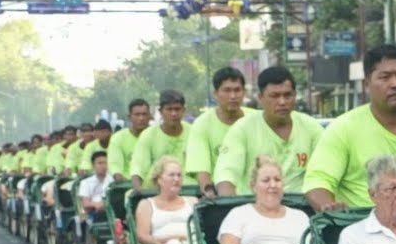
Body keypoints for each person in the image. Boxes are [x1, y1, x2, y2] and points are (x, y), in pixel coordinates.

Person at [304, 45, 396, 211]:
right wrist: (329, 208)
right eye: (385, 77)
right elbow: (317, 181)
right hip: (362, 229)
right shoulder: (343, 128)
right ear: (367, 84)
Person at [213, 67, 324, 196]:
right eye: (274, 96)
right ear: (261, 98)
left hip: (302, 208)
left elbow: (326, 171)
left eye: (287, 95)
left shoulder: (312, 128)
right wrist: (228, 205)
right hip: (255, 209)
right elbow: (226, 173)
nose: (282, 102)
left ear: (294, 96)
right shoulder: (242, 129)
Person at [186, 68, 255, 198]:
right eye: (227, 90)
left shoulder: (257, 119)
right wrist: (210, 193)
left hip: (257, 197)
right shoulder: (202, 124)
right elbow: (202, 170)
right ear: (216, 93)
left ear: (244, 92)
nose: (233, 96)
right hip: (221, 197)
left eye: (237, 90)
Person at [133, 156, 197, 244]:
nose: (176, 179)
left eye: (179, 175)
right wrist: (173, 238)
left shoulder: (192, 201)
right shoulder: (146, 205)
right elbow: (142, 236)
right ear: (159, 179)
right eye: (171, 175)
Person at [131, 90, 191, 189]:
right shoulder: (148, 135)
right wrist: (138, 192)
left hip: (187, 190)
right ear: (160, 111)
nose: (174, 113)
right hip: (155, 191)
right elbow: (138, 168)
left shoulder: (193, 133)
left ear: (183, 110)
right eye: (169, 109)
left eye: (177, 109)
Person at [108, 99, 152, 181]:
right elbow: (115, 165)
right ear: (129, 117)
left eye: (144, 114)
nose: (141, 118)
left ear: (150, 116)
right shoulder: (118, 138)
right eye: (137, 115)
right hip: (127, 185)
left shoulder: (156, 135)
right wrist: (118, 176)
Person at [75, 150, 113, 243]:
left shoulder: (112, 180)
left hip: (111, 211)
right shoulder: (86, 182)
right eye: (99, 163)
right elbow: (85, 203)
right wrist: (97, 205)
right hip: (94, 213)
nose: (103, 166)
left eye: (105, 162)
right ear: (93, 165)